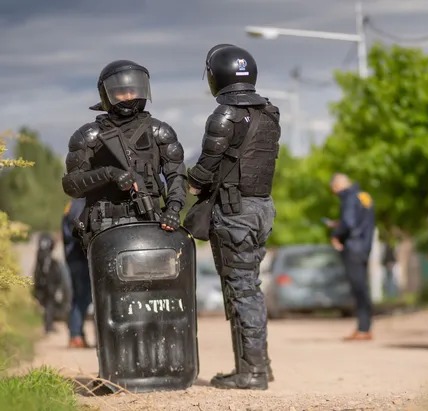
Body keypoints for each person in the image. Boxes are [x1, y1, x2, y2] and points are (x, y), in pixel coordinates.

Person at [186, 43, 280, 390]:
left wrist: (192, 183)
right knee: (249, 287)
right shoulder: (270, 113)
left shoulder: (224, 114)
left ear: (216, 77)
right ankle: (259, 365)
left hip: (235, 211)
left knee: (241, 290)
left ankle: (251, 372)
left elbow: (206, 169)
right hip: (262, 208)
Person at [61, 59, 187, 242]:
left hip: (151, 220)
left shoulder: (159, 132)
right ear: (107, 94)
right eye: (121, 92)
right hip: (103, 227)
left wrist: (173, 209)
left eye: (133, 90)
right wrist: (109, 174)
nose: (128, 96)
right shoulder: (89, 136)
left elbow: (177, 174)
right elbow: (71, 185)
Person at [326, 173, 376, 341]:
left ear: (337, 186)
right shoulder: (364, 196)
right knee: (363, 288)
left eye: (333, 189)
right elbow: (361, 222)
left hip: (353, 248)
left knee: (358, 289)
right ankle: (364, 327)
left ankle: (363, 329)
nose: (334, 193)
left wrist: (335, 235)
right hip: (364, 247)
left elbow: (348, 223)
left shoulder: (349, 198)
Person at [62, 198, 93, 348]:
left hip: (73, 257)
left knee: (79, 296)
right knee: (83, 296)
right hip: (80, 257)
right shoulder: (80, 204)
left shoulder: (73, 203)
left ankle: (77, 334)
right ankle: (76, 336)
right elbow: (77, 231)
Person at [32, 232, 64, 334]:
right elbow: (44, 270)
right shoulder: (46, 257)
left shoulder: (41, 254)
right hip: (47, 282)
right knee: (49, 303)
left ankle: (48, 324)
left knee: (48, 304)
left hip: (44, 281)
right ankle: (48, 326)